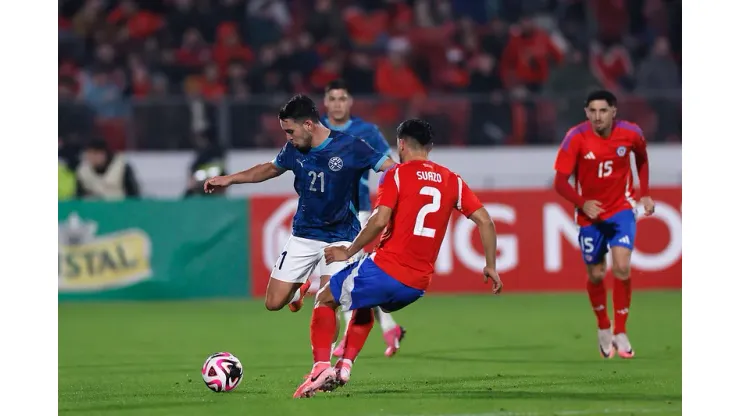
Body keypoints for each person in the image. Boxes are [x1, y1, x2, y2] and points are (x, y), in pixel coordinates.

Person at [292, 119, 503, 398]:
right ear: (430, 146)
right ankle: (343, 368)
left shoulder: (397, 175)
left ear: (401, 144)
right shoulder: (452, 180)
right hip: (417, 285)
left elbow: (379, 220)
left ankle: (320, 368)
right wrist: (490, 265)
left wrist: (348, 251)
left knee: (325, 297)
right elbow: (485, 221)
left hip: (388, 268)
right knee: (364, 303)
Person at [204, 94, 395, 312]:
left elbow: (390, 168)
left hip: (341, 235)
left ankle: (329, 347)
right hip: (304, 234)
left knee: (327, 303)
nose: (288, 138)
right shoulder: (294, 149)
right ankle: (298, 289)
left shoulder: (350, 147)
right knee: (273, 303)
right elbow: (270, 168)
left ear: (308, 124)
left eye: (290, 131)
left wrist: (413, 181)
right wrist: (229, 180)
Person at [552, 90, 655, 359]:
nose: (598, 116)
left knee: (622, 267)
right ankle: (603, 326)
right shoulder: (575, 137)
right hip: (590, 216)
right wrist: (582, 202)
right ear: (586, 113)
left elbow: (642, 159)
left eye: (603, 111)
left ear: (613, 111)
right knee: (596, 274)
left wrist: (644, 193)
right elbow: (560, 182)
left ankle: (621, 330)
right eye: (593, 111)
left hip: (621, 209)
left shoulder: (631, 133)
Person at [315, 79, 406, 358]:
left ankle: (343, 338)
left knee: (344, 273)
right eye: (333, 98)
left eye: (343, 98)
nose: (338, 103)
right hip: (322, 213)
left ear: (350, 101)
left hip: (358, 210)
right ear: (326, 102)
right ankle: (389, 326)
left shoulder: (366, 131)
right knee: (349, 275)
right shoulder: (315, 129)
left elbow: (388, 166)